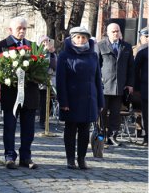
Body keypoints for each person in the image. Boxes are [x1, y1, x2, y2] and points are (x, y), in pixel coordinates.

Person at [0, 17, 39, 170]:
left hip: (29, 95)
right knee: (10, 127)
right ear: (10, 30)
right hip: (11, 95)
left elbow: (40, 69)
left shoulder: (33, 46)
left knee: (29, 128)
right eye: (19, 28)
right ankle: (9, 156)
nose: (22, 31)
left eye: (25, 28)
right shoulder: (1, 46)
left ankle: (26, 156)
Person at [56, 27, 104, 169]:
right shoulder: (65, 55)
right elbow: (60, 80)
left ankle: (81, 158)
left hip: (89, 99)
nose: (81, 40)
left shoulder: (93, 55)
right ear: (72, 39)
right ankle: (70, 158)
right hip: (71, 99)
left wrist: (100, 101)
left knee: (84, 130)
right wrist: (63, 101)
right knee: (70, 130)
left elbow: (97, 79)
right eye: (78, 37)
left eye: (84, 37)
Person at [98, 23, 134, 146]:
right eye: (113, 31)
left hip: (120, 86)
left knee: (115, 113)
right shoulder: (100, 45)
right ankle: (100, 135)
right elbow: (96, 66)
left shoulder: (126, 47)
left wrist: (129, 84)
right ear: (107, 33)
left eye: (117, 31)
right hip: (104, 86)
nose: (115, 33)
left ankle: (112, 136)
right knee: (102, 112)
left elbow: (131, 68)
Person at [37, 35, 57, 129]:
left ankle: (47, 120)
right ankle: (42, 120)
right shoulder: (40, 52)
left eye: (47, 42)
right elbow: (42, 63)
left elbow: (55, 65)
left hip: (51, 81)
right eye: (44, 42)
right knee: (43, 102)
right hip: (42, 81)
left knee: (49, 102)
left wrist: (52, 53)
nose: (46, 44)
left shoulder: (53, 53)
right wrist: (45, 51)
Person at [134, 27, 148, 146]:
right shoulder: (143, 50)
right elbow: (136, 70)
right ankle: (146, 137)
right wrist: (137, 88)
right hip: (145, 87)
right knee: (146, 114)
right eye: (146, 36)